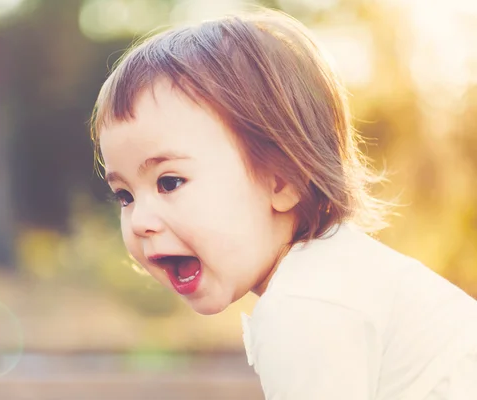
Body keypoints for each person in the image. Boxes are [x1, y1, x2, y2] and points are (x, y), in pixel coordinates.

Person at [89, 7, 477, 400]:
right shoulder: (336, 275)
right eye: (125, 195)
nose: (140, 221)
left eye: (169, 182)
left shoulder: (305, 308)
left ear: (283, 179)